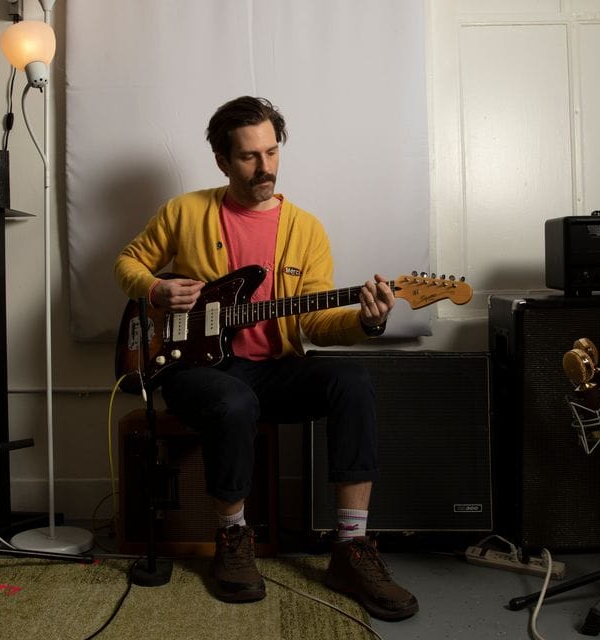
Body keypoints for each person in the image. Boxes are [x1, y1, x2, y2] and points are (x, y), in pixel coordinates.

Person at [114, 96, 418, 620]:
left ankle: (350, 547)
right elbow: (127, 263)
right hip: (195, 370)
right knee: (233, 401)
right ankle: (233, 537)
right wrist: (156, 291)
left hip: (273, 371)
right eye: (249, 156)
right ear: (222, 161)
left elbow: (315, 322)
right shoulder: (184, 212)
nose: (265, 167)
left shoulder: (305, 229)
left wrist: (367, 321)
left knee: (351, 380)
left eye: (272, 152)